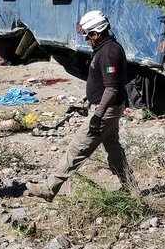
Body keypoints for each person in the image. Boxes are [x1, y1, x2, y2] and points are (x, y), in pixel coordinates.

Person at [26, 11, 137, 201]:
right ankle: (131, 189)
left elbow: (111, 88)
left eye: (88, 35)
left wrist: (97, 116)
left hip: (105, 111)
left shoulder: (109, 52)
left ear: (97, 33)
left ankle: (49, 188)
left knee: (77, 149)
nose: (86, 39)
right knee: (114, 150)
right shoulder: (104, 49)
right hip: (107, 108)